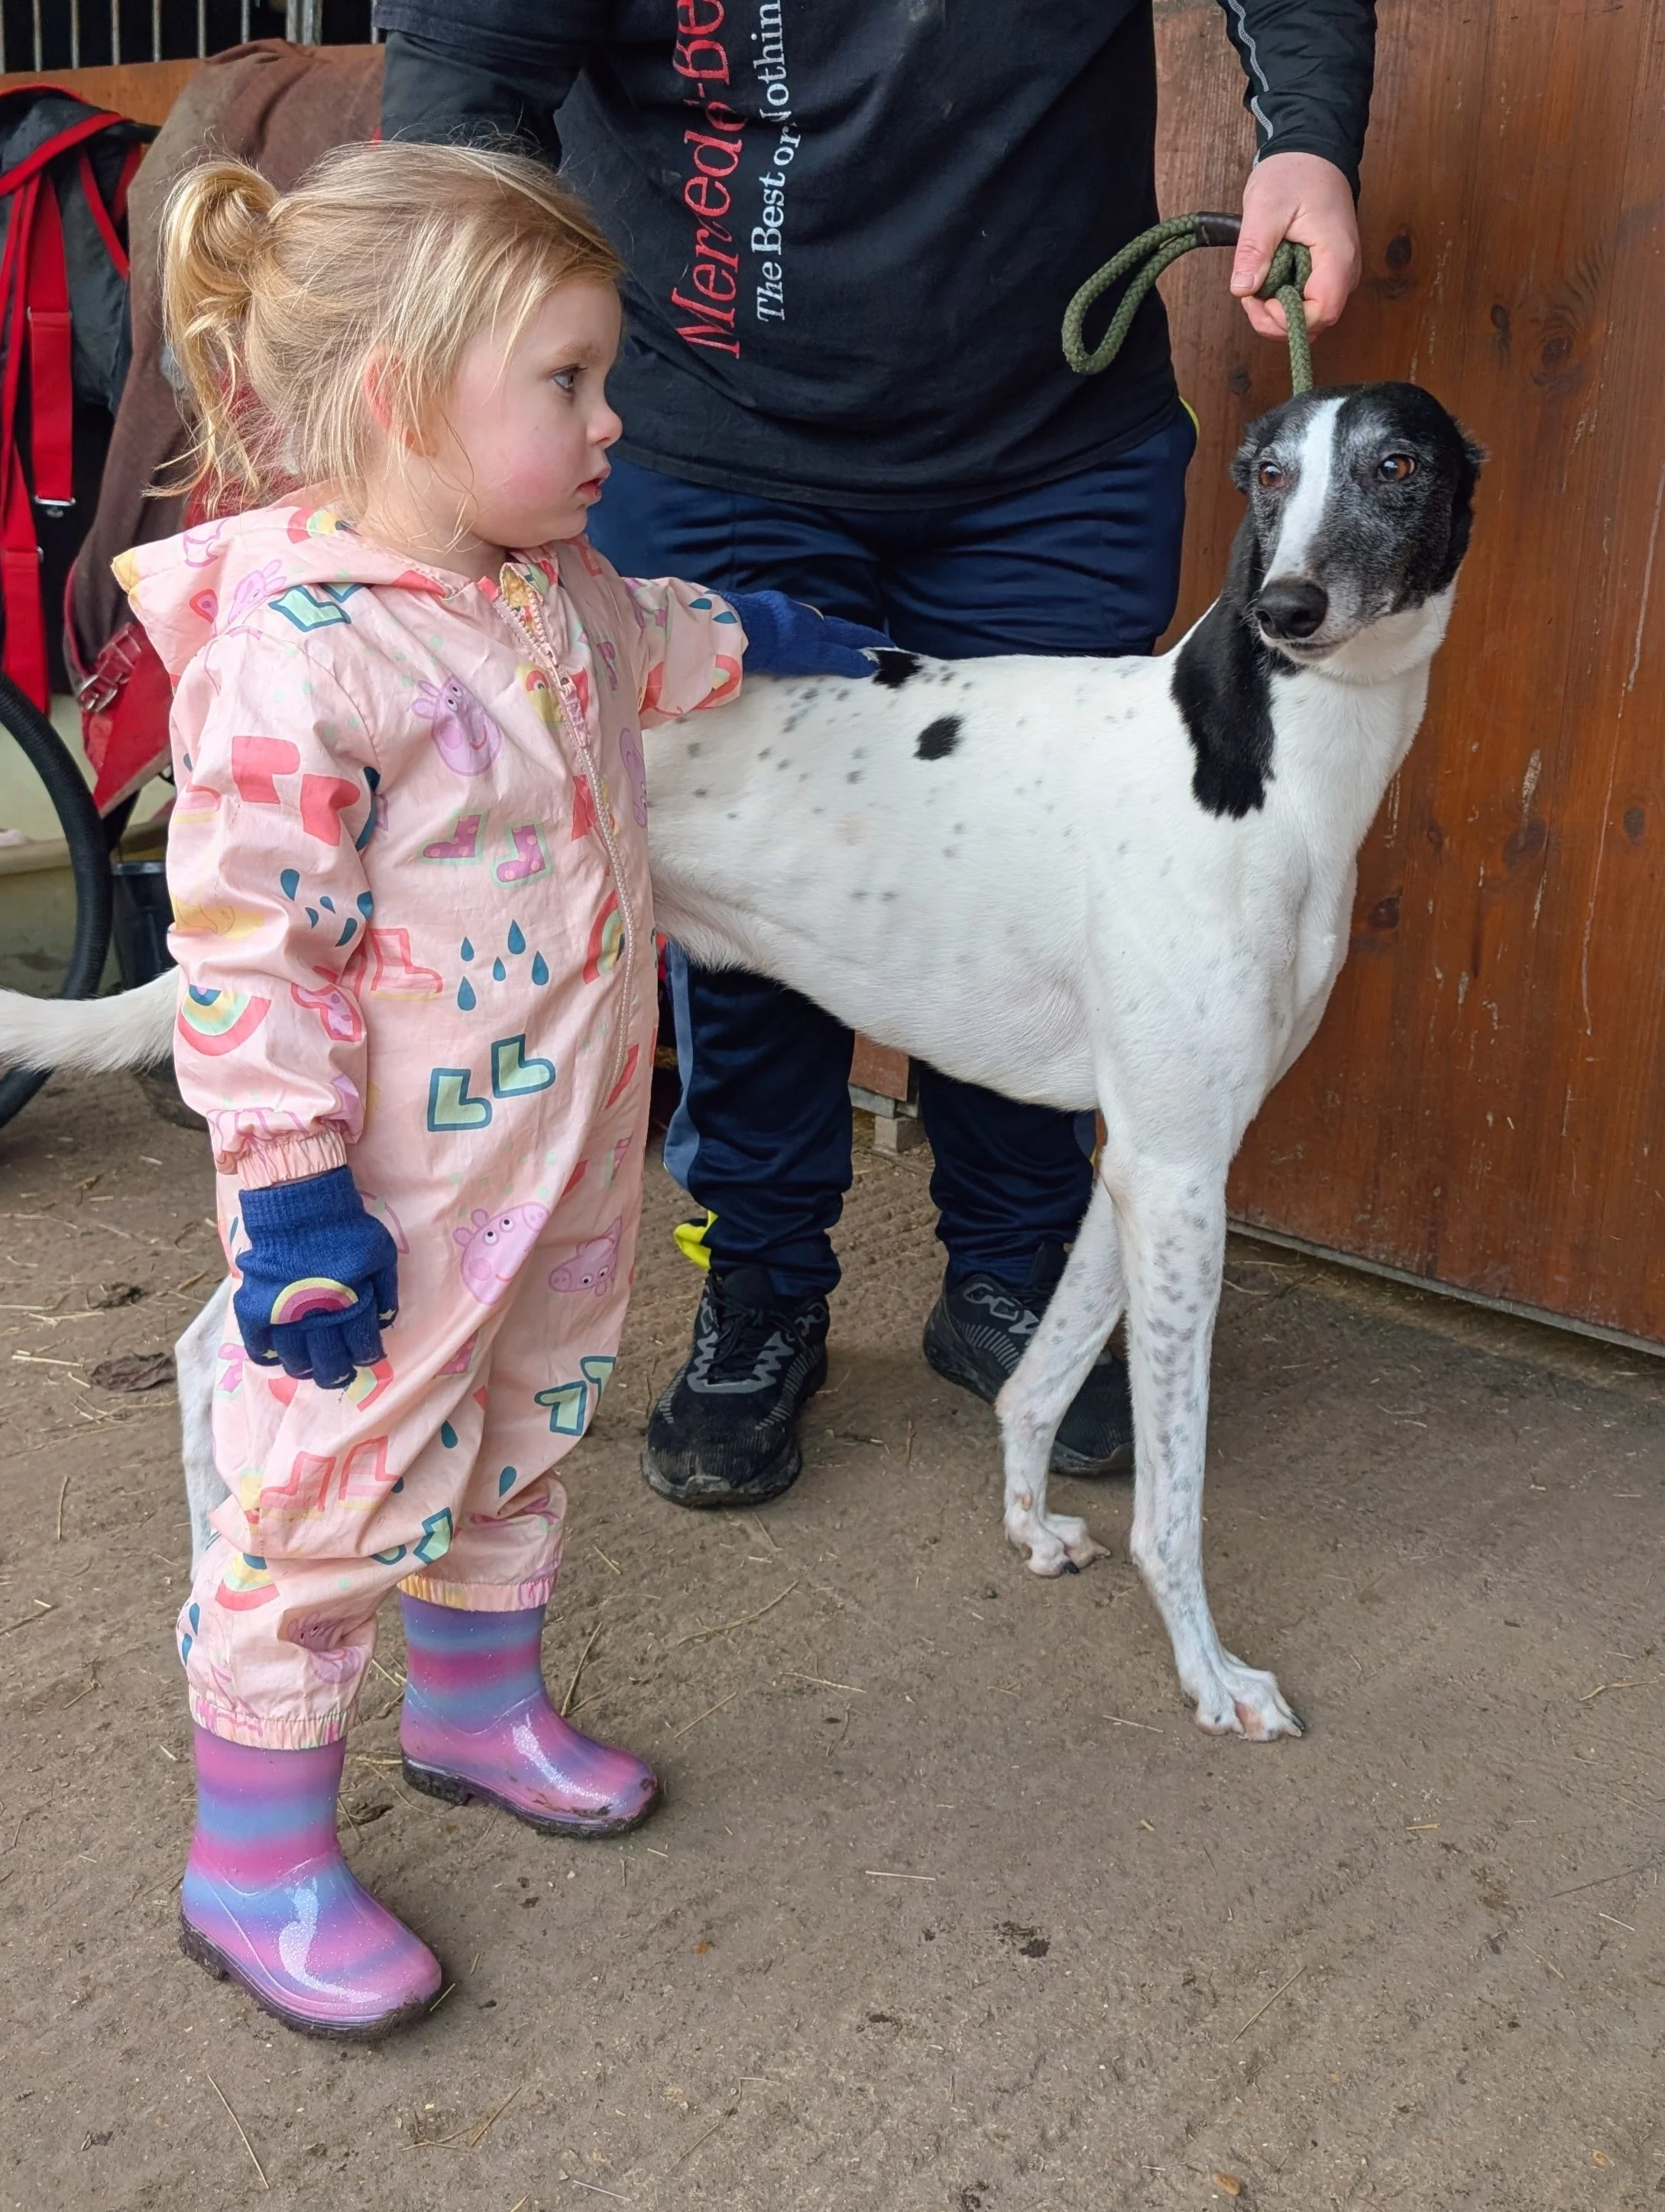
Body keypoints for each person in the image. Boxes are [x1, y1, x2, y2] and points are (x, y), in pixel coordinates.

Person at [377, 0, 1376, 1512]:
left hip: (1046, 429)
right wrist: (488, 353)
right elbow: (466, 79)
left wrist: (1304, 133)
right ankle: (764, 1284)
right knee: (750, 879)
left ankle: (1015, 1269)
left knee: (1059, 857)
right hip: (705, 426)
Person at [128, 141, 886, 2039]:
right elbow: (246, 953)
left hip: (558, 1168)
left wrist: (772, 640)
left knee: (531, 1422)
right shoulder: (302, 666)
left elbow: (647, 653)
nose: (613, 417)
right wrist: (294, 1193)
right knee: (329, 1495)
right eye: (568, 381)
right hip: (375, 1206)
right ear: (401, 397)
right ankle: (256, 1857)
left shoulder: (545, 584)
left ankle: (474, 1708)